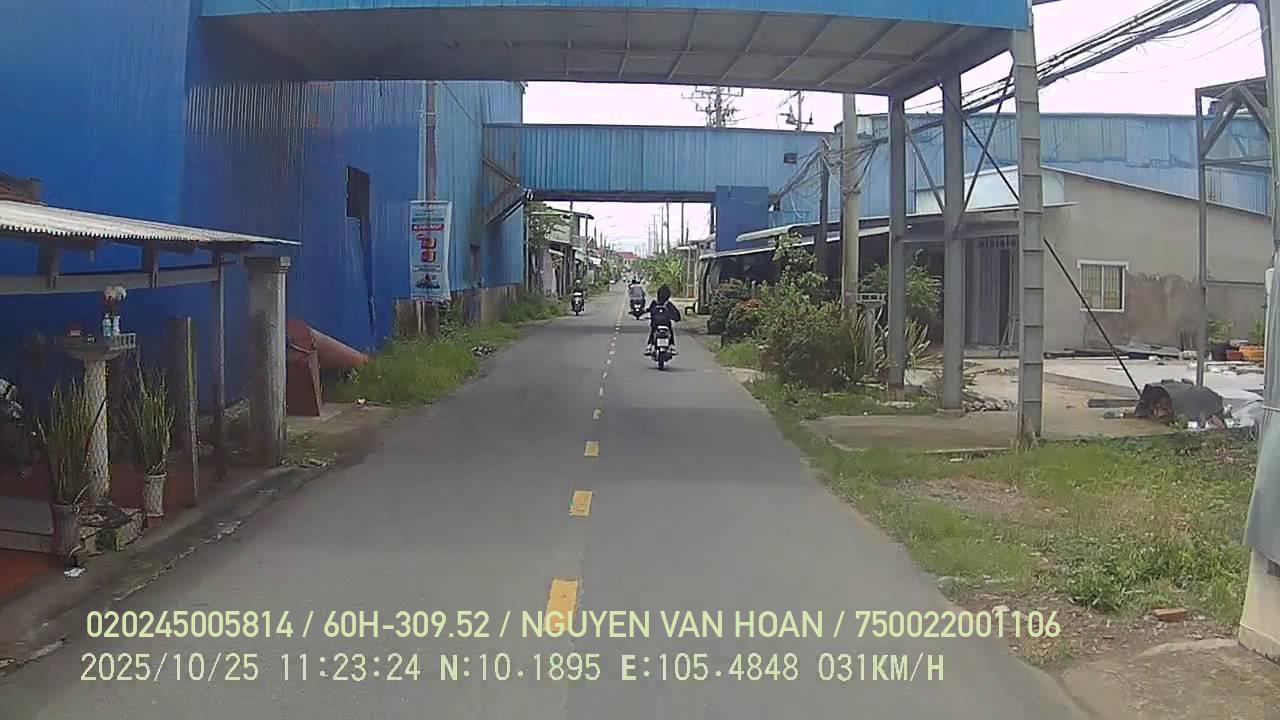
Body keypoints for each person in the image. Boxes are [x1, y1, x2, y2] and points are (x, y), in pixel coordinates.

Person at [639, 284, 681, 356]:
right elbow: (677, 315)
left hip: (655, 324)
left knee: (653, 332)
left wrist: (645, 313)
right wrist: (675, 318)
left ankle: (649, 346)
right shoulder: (668, 304)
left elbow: (649, 310)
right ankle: (672, 346)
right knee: (670, 332)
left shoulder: (654, 303)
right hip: (666, 325)